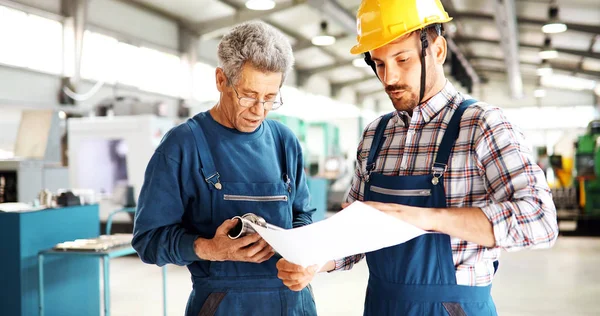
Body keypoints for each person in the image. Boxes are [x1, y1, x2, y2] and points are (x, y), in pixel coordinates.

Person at [276, 1, 559, 315]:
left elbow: (540, 221)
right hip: (381, 305)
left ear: (437, 50)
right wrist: (317, 261)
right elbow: (352, 236)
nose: (389, 77)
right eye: (379, 63)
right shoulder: (375, 135)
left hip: (454, 307)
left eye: (402, 58)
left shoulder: (482, 125)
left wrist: (424, 218)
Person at [133, 21, 317, 316]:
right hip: (222, 305)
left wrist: (303, 256)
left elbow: (302, 214)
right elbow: (148, 241)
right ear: (221, 80)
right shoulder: (182, 145)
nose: (259, 110)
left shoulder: (285, 142)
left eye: (270, 98)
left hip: (293, 303)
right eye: (248, 95)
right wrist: (208, 248)